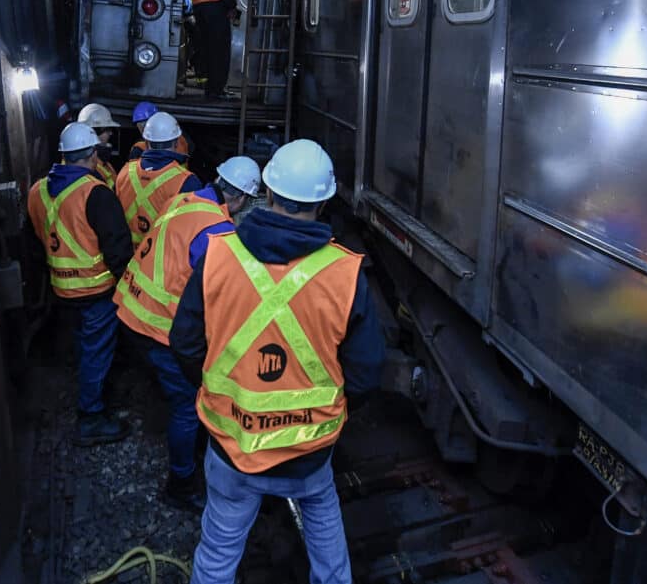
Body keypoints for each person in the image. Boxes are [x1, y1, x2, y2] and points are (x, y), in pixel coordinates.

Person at [171, 140, 384, 584]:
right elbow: (365, 373)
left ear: (266, 193)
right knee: (328, 546)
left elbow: (185, 344)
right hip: (308, 455)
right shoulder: (347, 276)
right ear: (324, 203)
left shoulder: (218, 255)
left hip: (231, 447)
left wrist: (221, 392)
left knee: (218, 551)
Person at [113, 156, 263, 511]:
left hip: (130, 308)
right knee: (186, 405)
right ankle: (181, 484)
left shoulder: (185, 200)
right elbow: (217, 293)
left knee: (173, 388)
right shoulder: (217, 231)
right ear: (240, 199)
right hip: (158, 325)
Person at [27, 123, 134, 446]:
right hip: (96, 291)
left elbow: (35, 241)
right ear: (91, 155)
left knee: (83, 346)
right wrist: (128, 286)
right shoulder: (95, 193)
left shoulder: (37, 190)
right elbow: (118, 249)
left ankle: (89, 392)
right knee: (96, 351)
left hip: (61, 289)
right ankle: (91, 417)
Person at [115, 111, 201, 245]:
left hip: (127, 257)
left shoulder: (125, 172)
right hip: (160, 259)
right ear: (177, 143)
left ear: (146, 142)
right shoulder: (187, 181)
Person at [77, 101, 120, 186]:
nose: (111, 133)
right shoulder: (88, 168)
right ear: (94, 133)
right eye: (107, 129)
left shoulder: (103, 163)